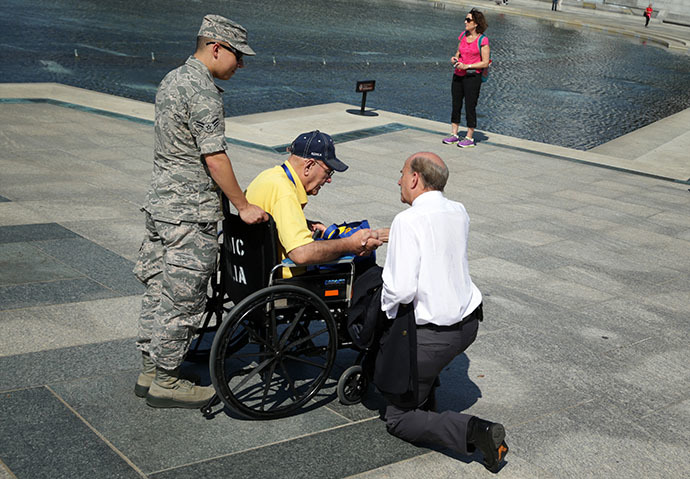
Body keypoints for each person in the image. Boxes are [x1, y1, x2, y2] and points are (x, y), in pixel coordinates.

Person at [133, 14, 268, 409]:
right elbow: (214, 157)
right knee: (184, 296)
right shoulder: (203, 91)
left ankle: (151, 368)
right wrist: (242, 205)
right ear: (216, 48)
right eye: (237, 56)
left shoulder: (173, 78)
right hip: (190, 211)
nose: (240, 65)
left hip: (161, 204)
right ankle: (166, 382)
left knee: (158, 288)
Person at [379, 152, 509, 473]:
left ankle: (475, 432)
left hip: (435, 335)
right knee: (423, 363)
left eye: (401, 173)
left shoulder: (406, 221)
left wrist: (382, 317)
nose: (398, 180)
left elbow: (401, 290)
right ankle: (424, 392)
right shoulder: (458, 211)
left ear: (414, 179)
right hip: (467, 325)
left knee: (398, 419)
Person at [245, 130, 384, 278]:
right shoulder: (285, 192)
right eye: (328, 171)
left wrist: (302, 223)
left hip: (252, 273)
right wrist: (350, 244)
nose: (329, 179)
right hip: (289, 283)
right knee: (369, 271)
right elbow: (301, 254)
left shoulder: (268, 176)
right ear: (309, 166)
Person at [442, 9, 490, 149]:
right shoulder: (463, 35)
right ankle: (454, 134)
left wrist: (467, 66)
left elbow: (485, 62)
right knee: (456, 104)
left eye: (468, 20)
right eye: (465, 19)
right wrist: (455, 58)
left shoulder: (483, 40)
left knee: (470, 105)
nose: (465, 22)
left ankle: (469, 136)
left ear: (475, 23)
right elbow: (458, 52)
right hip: (458, 74)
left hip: (472, 77)